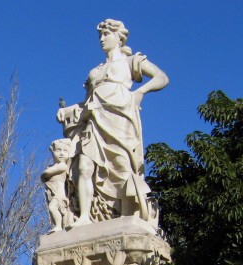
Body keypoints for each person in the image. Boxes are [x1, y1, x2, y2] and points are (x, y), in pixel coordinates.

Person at [59, 19, 168, 227]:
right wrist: (68, 110)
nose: (102, 39)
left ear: (119, 38)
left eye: (106, 34)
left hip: (120, 120)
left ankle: (128, 214)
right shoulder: (95, 71)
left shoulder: (130, 61)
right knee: (84, 166)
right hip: (94, 122)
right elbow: (89, 101)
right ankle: (84, 217)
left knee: (122, 167)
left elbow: (161, 78)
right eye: (100, 35)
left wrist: (140, 92)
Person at [41, 138, 74, 231]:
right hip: (52, 192)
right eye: (58, 150)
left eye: (65, 151)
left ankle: (58, 226)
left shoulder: (62, 166)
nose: (61, 153)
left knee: (52, 208)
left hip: (59, 193)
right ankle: (59, 225)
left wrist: (45, 174)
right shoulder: (53, 166)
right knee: (55, 210)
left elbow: (46, 173)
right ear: (52, 151)